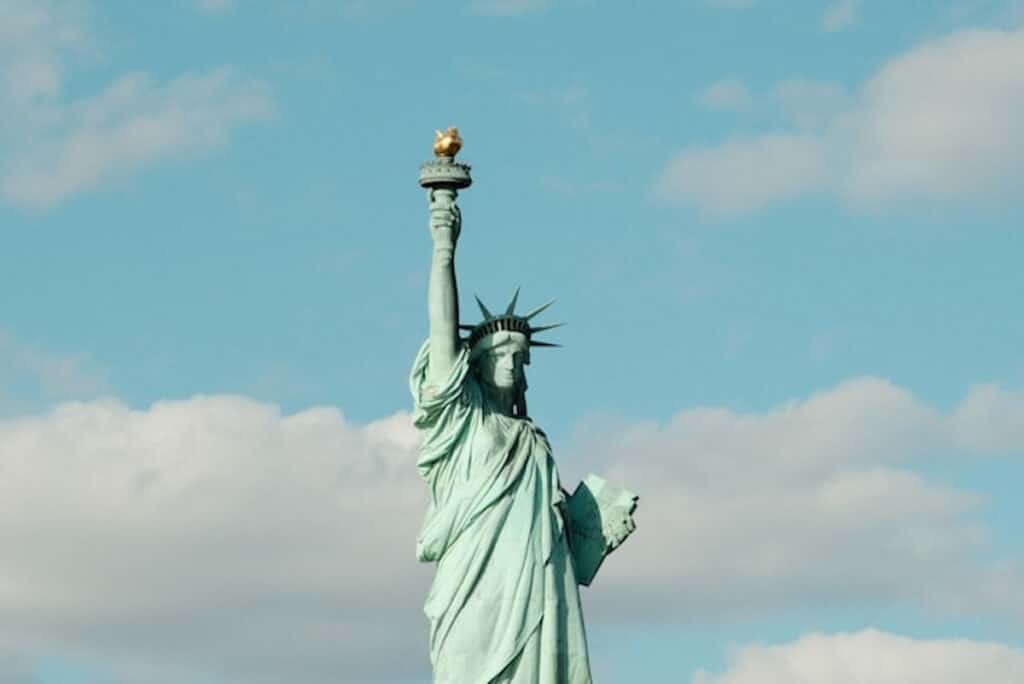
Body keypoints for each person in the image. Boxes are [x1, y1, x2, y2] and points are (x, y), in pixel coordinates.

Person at [410, 192, 593, 683]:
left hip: (536, 588)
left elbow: (551, 532)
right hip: (474, 585)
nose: (510, 362)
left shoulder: (535, 443)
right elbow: (443, 331)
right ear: (475, 363)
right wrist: (443, 246)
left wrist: (590, 527)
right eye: (499, 353)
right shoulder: (461, 421)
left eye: (518, 355)